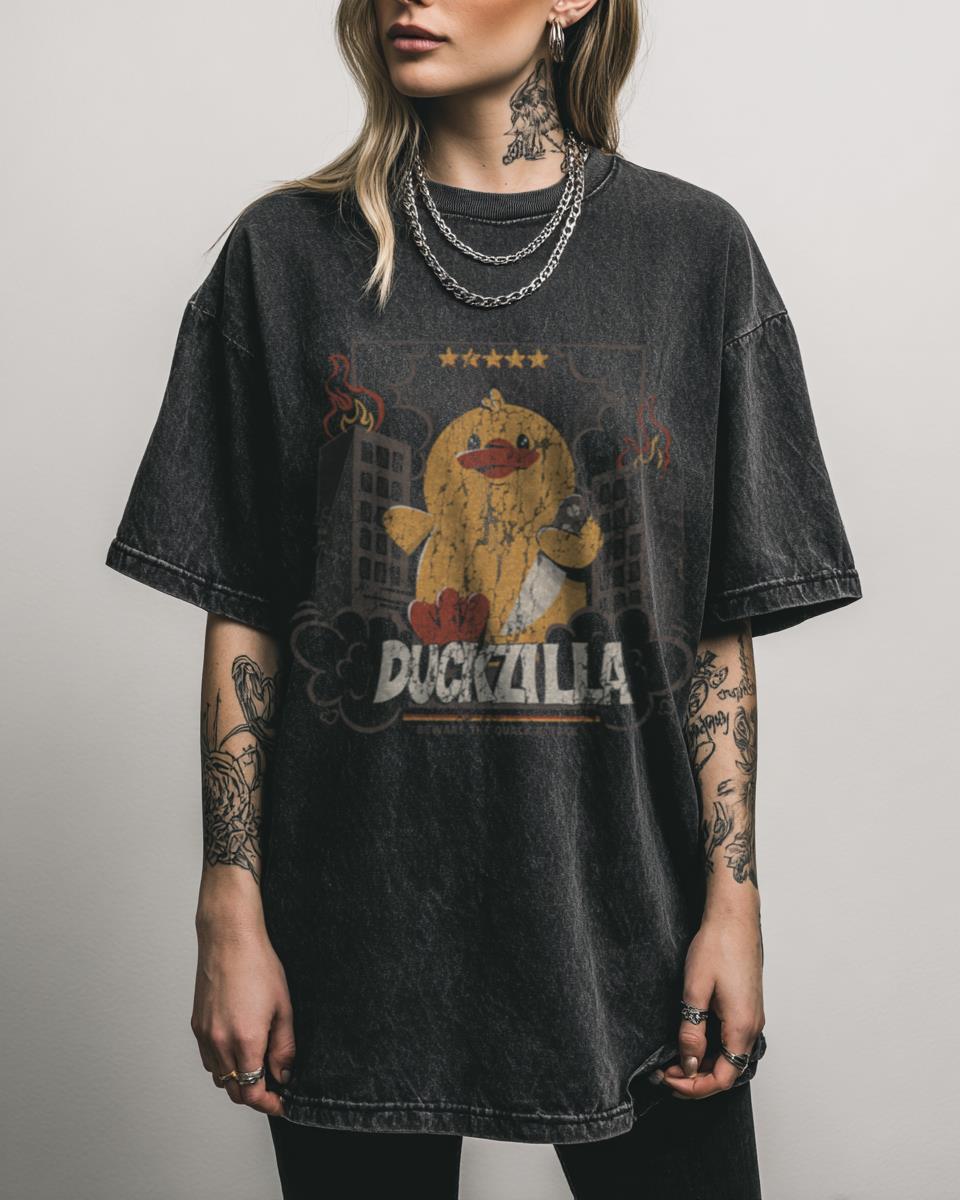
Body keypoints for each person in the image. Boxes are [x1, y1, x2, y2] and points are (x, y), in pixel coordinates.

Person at [104, 1, 863, 1196]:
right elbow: (243, 607)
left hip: (631, 927)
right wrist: (229, 905)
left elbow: (715, 630)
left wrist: (735, 900)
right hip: (353, 935)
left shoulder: (693, 253)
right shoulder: (284, 256)